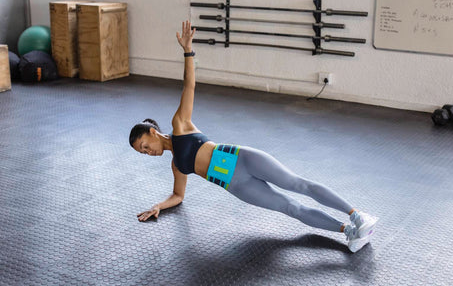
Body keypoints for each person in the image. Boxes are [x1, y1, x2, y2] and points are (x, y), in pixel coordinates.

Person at [129, 20, 378, 253]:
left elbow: (189, 86)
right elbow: (178, 196)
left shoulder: (180, 125)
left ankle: (357, 215)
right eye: (142, 152)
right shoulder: (176, 165)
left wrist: (188, 52)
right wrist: (158, 206)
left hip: (242, 159)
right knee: (290, 207)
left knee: (299, 184)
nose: (147, 152)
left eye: (144, 146)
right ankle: (350, 232)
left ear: (152, 132)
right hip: (237, 185)